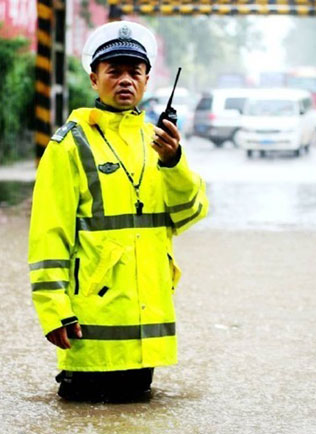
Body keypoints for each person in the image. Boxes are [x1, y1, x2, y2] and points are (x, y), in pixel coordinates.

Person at [28, 21, 208, 403]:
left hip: (146, 336)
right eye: (114, 71)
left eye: (134, 71)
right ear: (95, 79)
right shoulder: (68, 146)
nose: (125, 79)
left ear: (146, 80)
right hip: (91, 332)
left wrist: (174, 162)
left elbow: (188, 214)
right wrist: (53, 309)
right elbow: (48, 235)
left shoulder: (159, 143)